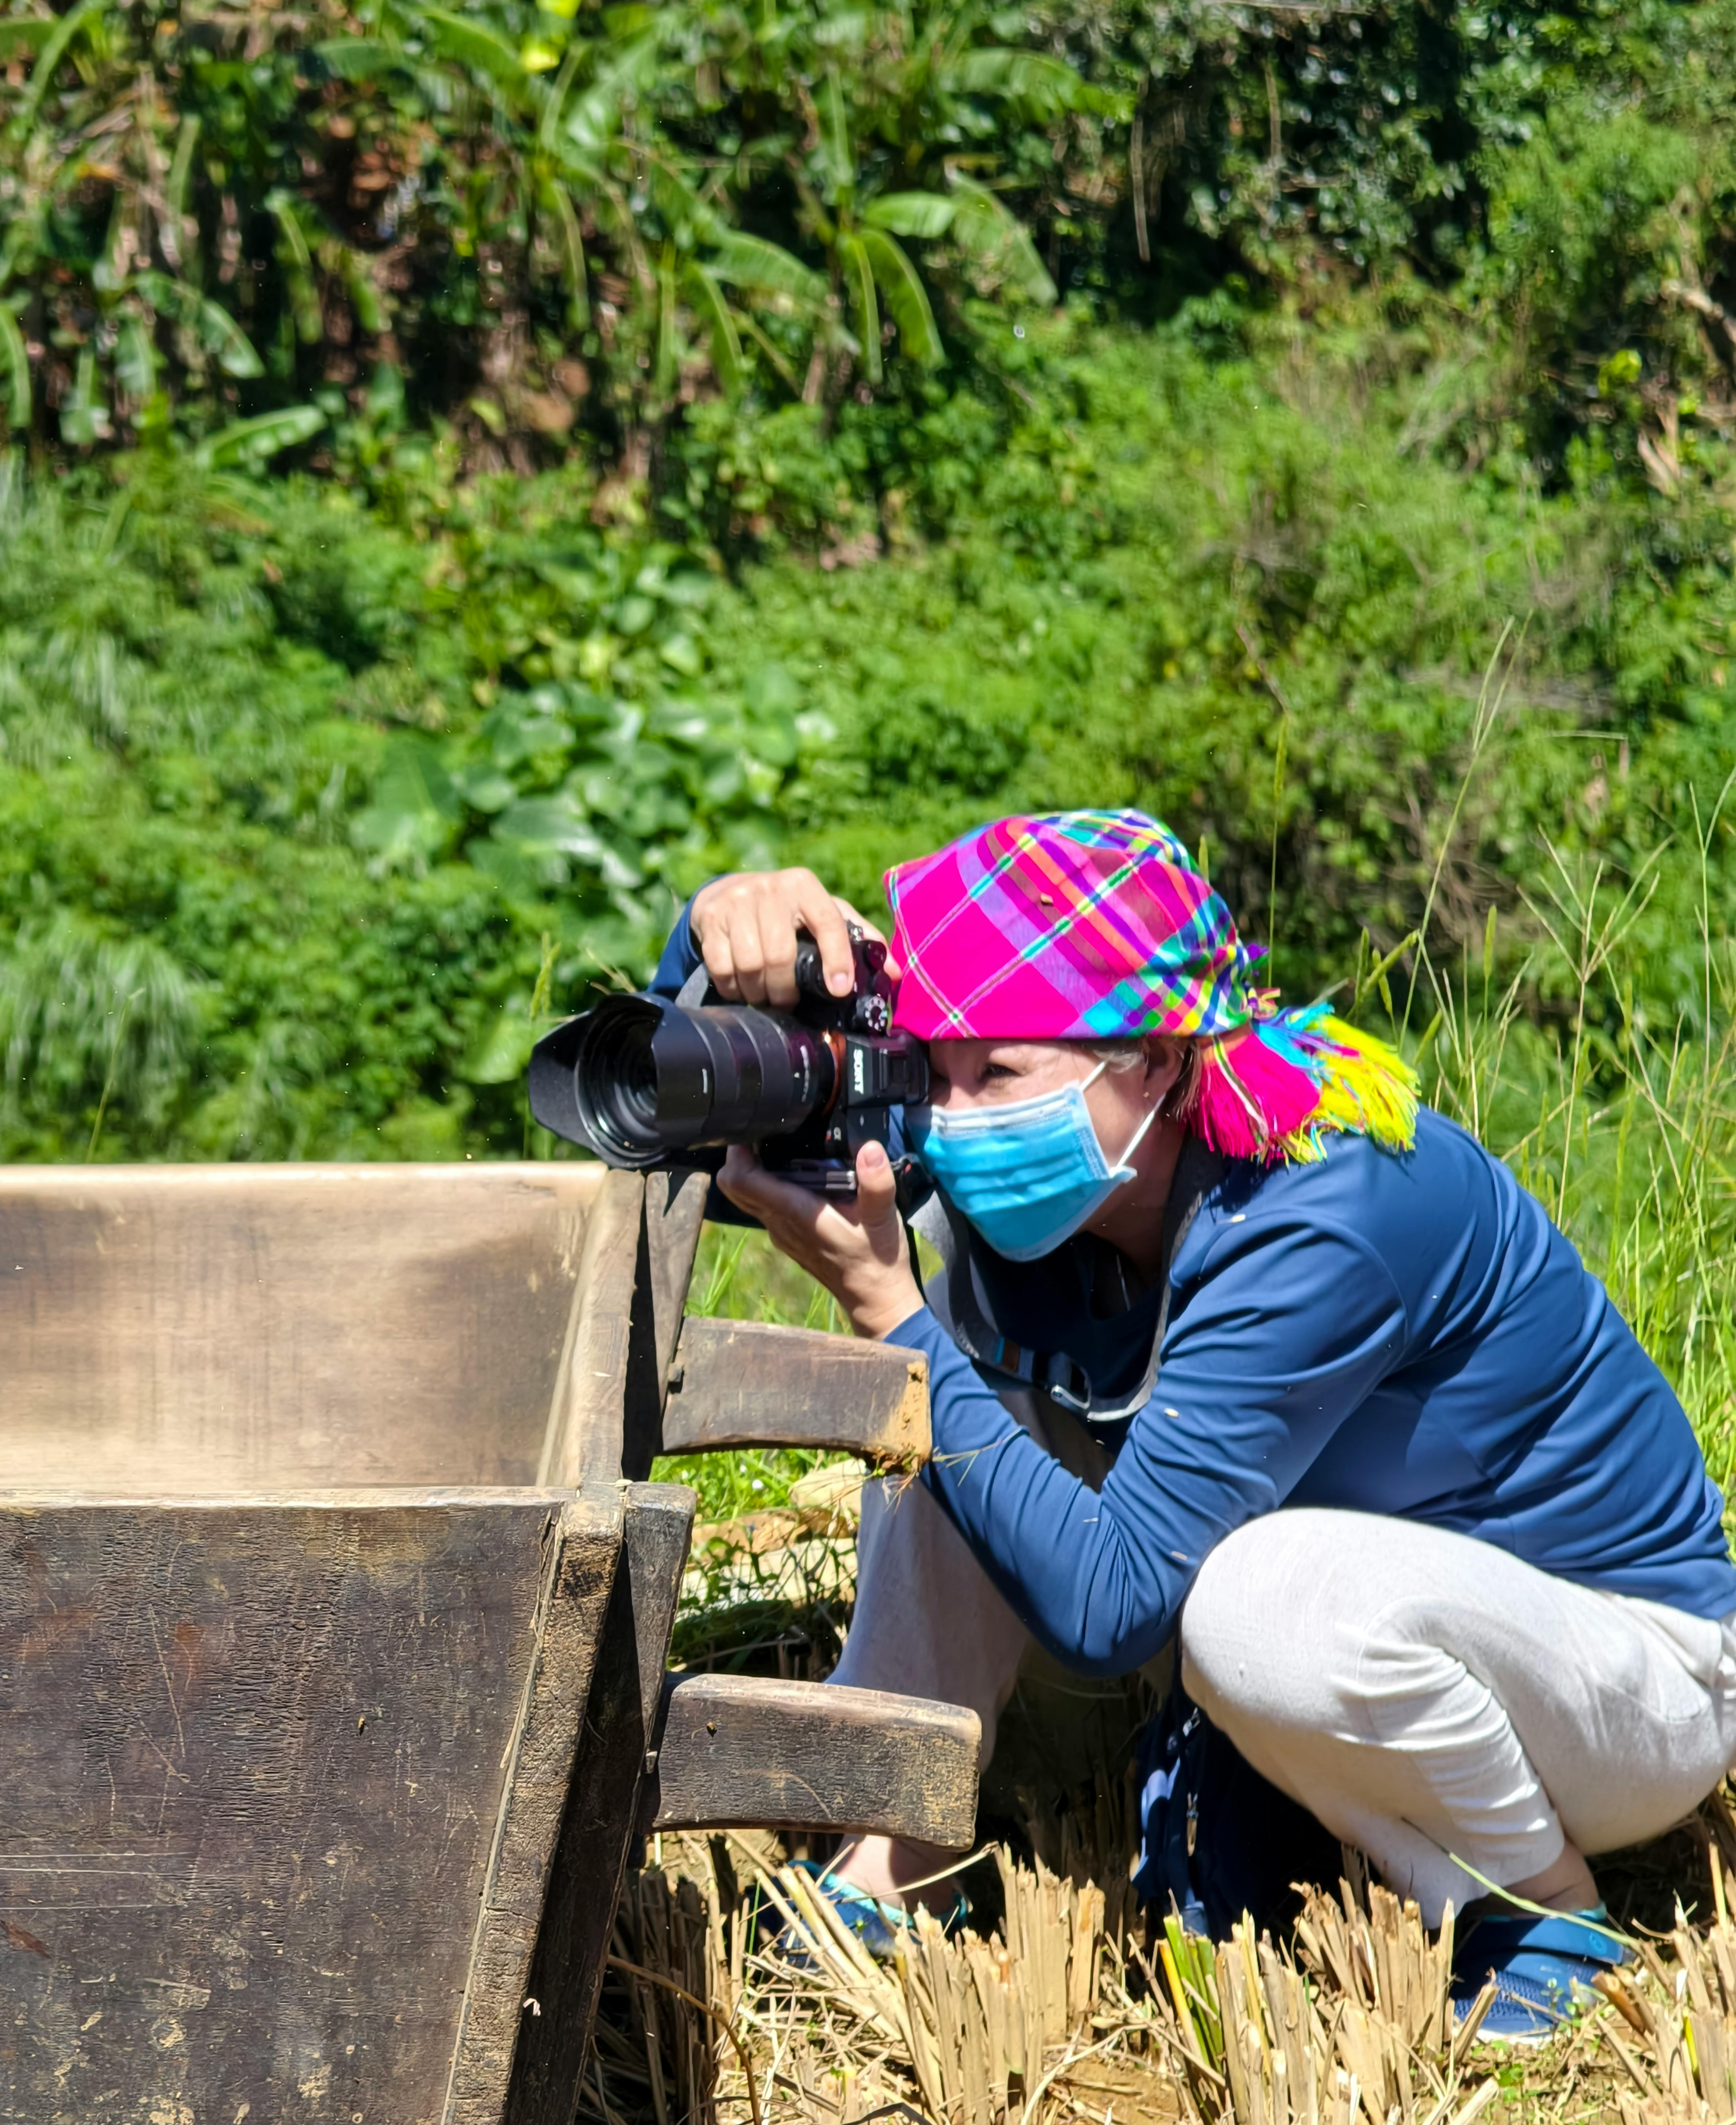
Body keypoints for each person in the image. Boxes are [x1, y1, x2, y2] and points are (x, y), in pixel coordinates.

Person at [676, 810, 1736, 2040]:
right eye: (933, 1067)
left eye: (1000, 1074)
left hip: (1618, 1679)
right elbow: (710, 1141)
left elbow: (1111, 1605)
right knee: (964, 1347)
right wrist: (721, 948)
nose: (950, 1119)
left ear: (1164, 1064)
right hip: (1385, 1624)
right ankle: (900, 1858)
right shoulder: (1075, 1156)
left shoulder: (1328, 1201)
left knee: (1241, 1595)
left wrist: (887, 1312)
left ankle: (1536, 1908)